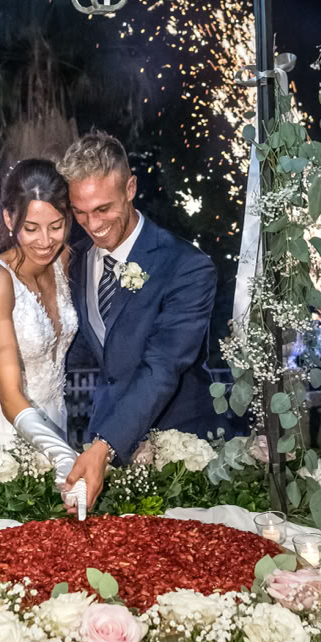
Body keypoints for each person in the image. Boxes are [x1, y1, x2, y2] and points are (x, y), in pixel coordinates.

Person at [59, 130, 217, 511]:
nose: (91, 224)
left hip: (179, 454)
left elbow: (162, 367)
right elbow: (75, 345)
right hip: (107, 447)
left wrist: (103, 446)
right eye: (79, 212)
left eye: (103, 209)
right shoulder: (76, 260)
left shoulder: (187, 266)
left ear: (130, 188)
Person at [0, 158, 79, 491]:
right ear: (10, 219)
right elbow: (10, 394)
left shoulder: (62, 261)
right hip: (2, 439)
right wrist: (64, 455)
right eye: (31, 228)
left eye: (56, 225)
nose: (45, 240)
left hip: (56, 422)